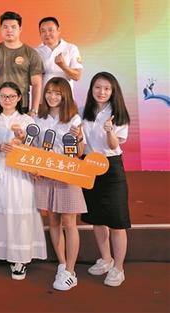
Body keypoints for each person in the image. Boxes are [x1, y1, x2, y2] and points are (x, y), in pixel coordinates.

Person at [0, 82, 46, 281]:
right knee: (1, 207)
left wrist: (22, 139)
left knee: (20, 208)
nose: (7, 100)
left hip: (20, 170)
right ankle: (3, 251)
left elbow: (34, 146)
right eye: (3, 96)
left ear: (19, 98)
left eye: (11, 96)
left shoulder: (26, 120)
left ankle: (20, 257)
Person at [34, 77, 86, 291]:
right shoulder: (39, 118)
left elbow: (80, 152)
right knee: (53, 221)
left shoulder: (74, 119)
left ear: (65, 96)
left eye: (57, 93)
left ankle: (71, 272)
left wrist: (79, 137)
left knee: (69, 223)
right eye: (49, 92)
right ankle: (62, 264)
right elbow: (34, 148)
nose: (52, 97)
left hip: (67, 175)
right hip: (45, 175)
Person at [81, 72, 131, 287]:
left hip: (111, 168)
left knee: (117, 220)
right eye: (98, 87)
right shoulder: (83, 112)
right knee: (97, 217)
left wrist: (109, 131)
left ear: (113, 91)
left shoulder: (118, 114)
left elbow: (113, 145)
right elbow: (81, 143)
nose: (102, 92)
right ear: (91, 89)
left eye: (107, 88)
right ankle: (106, 259)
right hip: (89, 165)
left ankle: (118, 268)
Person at [0, 11, 43, 116]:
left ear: (20, 29)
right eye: (5, 27)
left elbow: (37, 83)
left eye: (13, 27)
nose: (9, 30)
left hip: (21, 105)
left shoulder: (31, 53)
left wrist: (34, 109)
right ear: (0, 29)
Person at [36, 17, 83, 89]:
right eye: (43, 31)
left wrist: (63, 66)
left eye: (50, 30)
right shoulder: (35, 52)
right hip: (44, 93)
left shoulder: (71, 48)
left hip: (64, 93)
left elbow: (77, 76)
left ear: (58, 30)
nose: (47, 34)